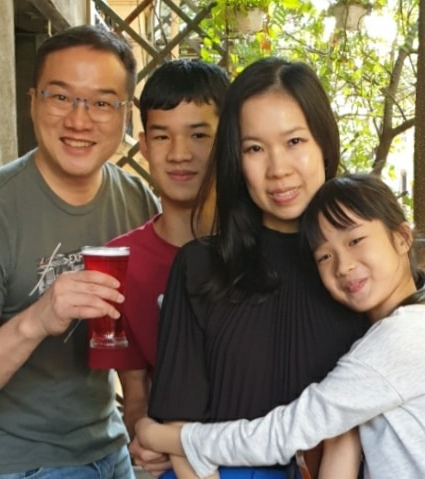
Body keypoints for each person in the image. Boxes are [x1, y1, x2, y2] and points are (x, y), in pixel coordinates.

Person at [135, 174, 425, 479]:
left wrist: (165, 438)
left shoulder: (403, 337)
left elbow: (285, 432)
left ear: (402, 238)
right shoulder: (402, 331)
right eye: (325, 256)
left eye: (355, 240)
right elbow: (339, 436)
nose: (344, 265)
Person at [0, 25, 159, 478]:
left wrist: (137, 420)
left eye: (102, 102)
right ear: (32, 101)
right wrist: (37, 318)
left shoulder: (136, 201)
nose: (79, 120)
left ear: (125, 114)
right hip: (15, 464)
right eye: (61, 97)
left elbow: (131, 333)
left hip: (108, 447)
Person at [146, 57, 372, 479]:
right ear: (236, 158)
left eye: (294, 142)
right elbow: (178, 431)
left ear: (324, 142)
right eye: (254, 148)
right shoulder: (198, 267)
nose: (278, 169)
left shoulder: (361, 272)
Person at [87, 59, 230, 475]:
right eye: (163, 136)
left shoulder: (263, 248)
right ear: (144, 145)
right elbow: (135, 391)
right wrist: (143, 437)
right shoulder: (114, 266)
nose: (180, 154)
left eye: (199, 135)